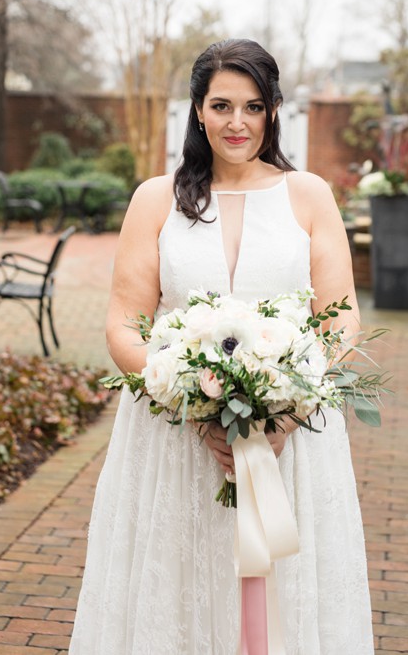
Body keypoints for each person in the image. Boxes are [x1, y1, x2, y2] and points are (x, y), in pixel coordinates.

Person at [68, 39, 373, 654]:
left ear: (275, 111)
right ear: (198, 110)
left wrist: (289, 413)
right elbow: (124, 325)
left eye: (254, 107)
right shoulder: (155, 199)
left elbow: (340, 324)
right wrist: (187, 400)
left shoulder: (309, 195)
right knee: (179, 588)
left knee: (284, 594)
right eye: (222, 105)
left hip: (295, 441)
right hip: (174, 439)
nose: (238, 123)